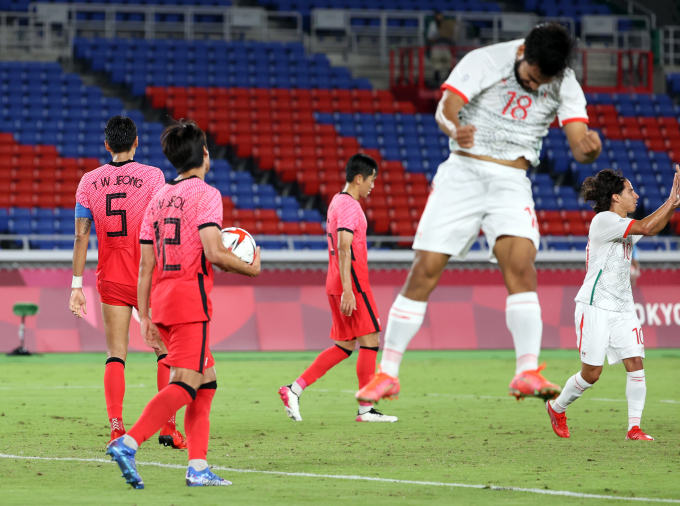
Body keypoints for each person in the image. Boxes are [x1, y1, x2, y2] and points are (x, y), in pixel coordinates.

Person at [357, 22, 603, 404]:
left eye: (545, 81)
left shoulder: (563, 79)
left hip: (512, 179)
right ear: (523, 55)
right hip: (464, 174)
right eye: (533, 77)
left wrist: (589, 149)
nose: (538, 87)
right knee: (425, 269)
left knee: (522, 265)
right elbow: (446, 109)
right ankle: (387, 373)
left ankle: (526, 371)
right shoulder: (486, 60)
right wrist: (455, 130)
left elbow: (578, 142)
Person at [106, 119, 260, 489]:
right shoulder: (206, 195)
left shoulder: (158, 197)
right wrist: (252, 268)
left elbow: (145, 266)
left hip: (162, 299)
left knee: (206, 384)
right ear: (205, 154)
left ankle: (198, 467)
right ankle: (128, 442)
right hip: (192, 299)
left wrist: (144, 316)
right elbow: (215, 252)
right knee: (186, 385)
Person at [69, 116, 186, 448]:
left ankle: (117, 428)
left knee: (115, 354)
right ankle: (167, 426)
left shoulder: (88, 181)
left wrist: (76, 285)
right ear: (136, 142)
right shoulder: (152, 176)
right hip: (147, 276)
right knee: (164, 351)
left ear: (106, 145)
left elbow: (81, 237)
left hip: (111, 277)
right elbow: (163, 226)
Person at [546, 167, 680, 440]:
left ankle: (634, 427)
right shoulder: (604, 221)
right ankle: (557, 406)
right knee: (592, 374)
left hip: (623, 307)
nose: (636, 195)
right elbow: (646, 226)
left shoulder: (623, 224)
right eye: (630, 191)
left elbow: (651, 227)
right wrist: (670, 201)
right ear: (616, 198)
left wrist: (673, 204)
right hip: (595, 305)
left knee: (635, 362)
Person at [278, 154, 397, 423]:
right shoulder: (350, 206)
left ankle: (293, 389)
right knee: (371, 341)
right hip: (351, 283)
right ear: (359, 178)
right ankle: (366, 410)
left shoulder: (336, 202)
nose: (373, 186)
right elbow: (344, 247)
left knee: (344, 346)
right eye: (372, 180)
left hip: (337, 281)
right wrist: (348, 290)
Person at [426, 11, 457, 85]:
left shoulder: (446, 24)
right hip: (437, 47)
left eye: (440, 16)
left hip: (445, 47)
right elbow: (430, 38)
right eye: (438, 16)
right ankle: (436, 83)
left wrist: (446, 38)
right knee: (437, 67)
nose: (439, 17)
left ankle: (449, 83)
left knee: (449, 65)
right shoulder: (433, 25)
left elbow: (452, 36)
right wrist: (438, 38)